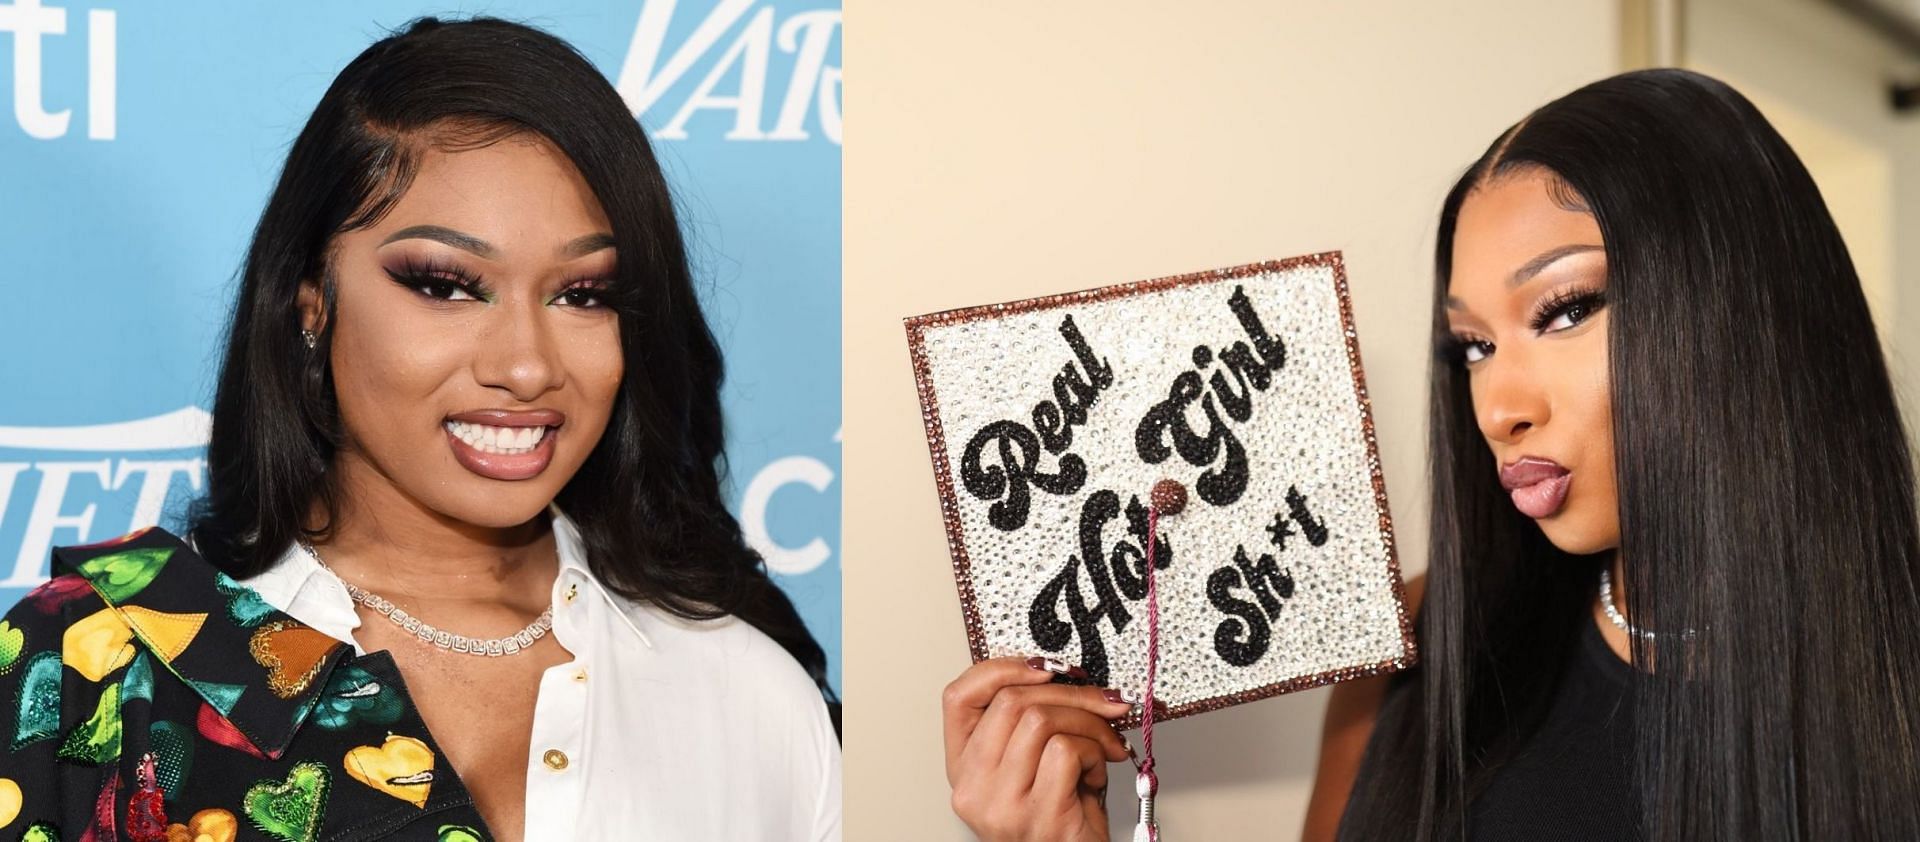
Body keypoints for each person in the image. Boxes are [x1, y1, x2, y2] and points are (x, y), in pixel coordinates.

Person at [941, 67, 1920, 841]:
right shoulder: (1415, 641)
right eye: (1474, 346)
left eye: (1566, 308)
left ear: (1744, 307)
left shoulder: (1885, 690)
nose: (1499, 405)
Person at [0, 16, 840, 842]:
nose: (525, 365)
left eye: (582, 295)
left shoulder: (750, 697)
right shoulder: (94, 663)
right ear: (311, 303)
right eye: (446, 285)